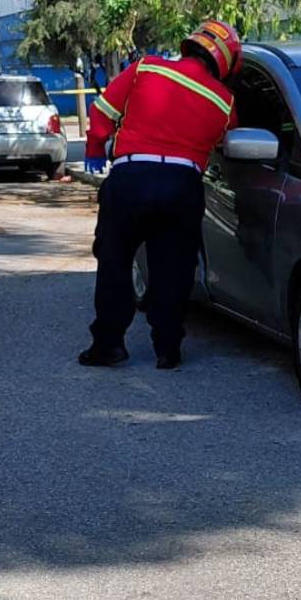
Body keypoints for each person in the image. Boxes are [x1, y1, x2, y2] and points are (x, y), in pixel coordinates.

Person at [80, 19, 242, 370]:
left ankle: (108, 345)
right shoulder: (225, 102)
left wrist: (95, 146)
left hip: (131, 176)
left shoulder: (146, 68)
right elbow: (225, 146)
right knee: (173, 268)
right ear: (224, 63)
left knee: (114, 261)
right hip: (182, 186)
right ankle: (168, 348)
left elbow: (103, 111)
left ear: (190, 45)